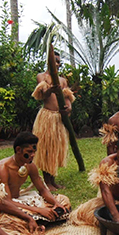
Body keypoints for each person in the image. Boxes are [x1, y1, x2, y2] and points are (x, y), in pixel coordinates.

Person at [0, 131, 71, 223]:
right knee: (15, 218)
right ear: (18, 150)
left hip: (21, 200)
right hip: (6, 205)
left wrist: (56, 203)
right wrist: (38, 210)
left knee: (63, 200)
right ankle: (39, 217)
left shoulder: (30, 166)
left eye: (34, 152)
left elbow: (43, 190)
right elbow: (7, 201)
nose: (33, 155)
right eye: (29, 152)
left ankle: (43, 217)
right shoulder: (2, 168)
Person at [32, 51, 74, 190]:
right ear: (48, 62)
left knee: (56, 149)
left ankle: (53, 180)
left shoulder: (62, 81)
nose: (57, 64)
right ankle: (47, 182)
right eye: (54, 61)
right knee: (46, 149)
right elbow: (42, 95)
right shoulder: (42, 77)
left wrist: (68, 108)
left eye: (59, 62)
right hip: (47, 117)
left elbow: (68, 97)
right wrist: (51, 90)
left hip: (59, 117)